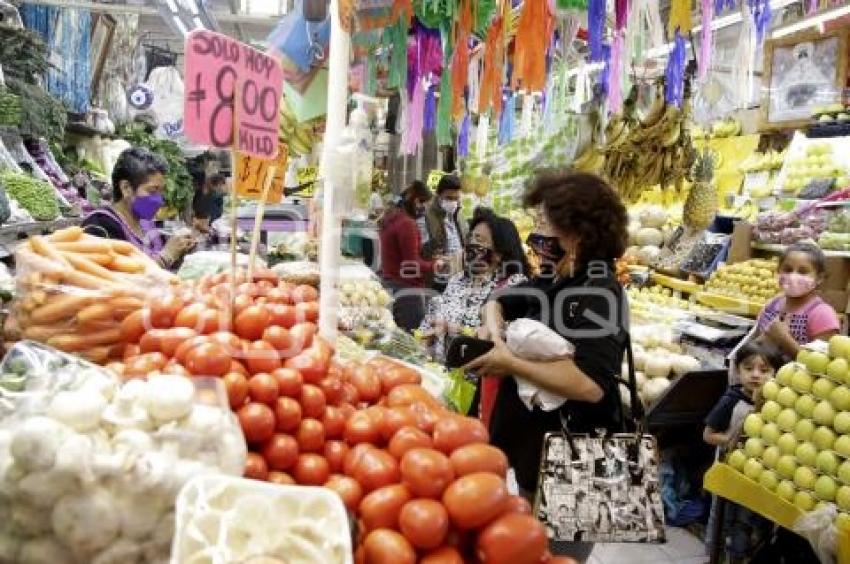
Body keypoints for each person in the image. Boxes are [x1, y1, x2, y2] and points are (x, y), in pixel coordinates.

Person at [467, 172, 629, 560]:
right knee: (529, 547)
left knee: (559, 554)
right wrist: (494, 331)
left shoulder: (600, 293)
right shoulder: (552, 278)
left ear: (577, 232)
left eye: (543, 223)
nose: (536, 233)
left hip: (576, 459)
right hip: (535, 452)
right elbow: (500, 300)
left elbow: (590, 385)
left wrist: (510, 361)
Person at [704, 342, 781, 563]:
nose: (756, 375)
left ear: (775, 373)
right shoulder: (731, 400)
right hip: (729, 474)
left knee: (750, 522)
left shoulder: (774, 403)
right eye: (749, 368)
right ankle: (718, 556)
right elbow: (708, 435)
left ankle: (742, 556)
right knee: (725, 520)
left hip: (757, 476)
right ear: (738, 371)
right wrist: (730, 439)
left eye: (764, 370)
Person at [420, 207, 529, 361]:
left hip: (478, 377)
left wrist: (452, 329)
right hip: (441, 372)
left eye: (479, 240)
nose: (470, 245)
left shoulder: (513, 284)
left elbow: (503, 337)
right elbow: (432, 320)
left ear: (498, 253)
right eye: (471, 238)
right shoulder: (458, 280)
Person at [83, 147, 195, 269]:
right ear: (126, 188)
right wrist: (166, 256)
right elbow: (110, 279)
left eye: (161, 191)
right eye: (152, 191)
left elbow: (162, 268)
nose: (159, 200)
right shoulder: (100, 225)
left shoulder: (146, 224)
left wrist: (179, 253)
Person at [754, 242, 840, 360]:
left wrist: (784, 339)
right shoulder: (772, 305)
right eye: (788, 270)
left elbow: (821, 365)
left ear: (819, 278)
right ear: (778, 272)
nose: (793, 276)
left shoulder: (822, 315)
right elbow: (755, 345)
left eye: (803, 271)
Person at [379, 181, 440, 331]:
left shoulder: (391, 218)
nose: (425, 210)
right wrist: (435, 264)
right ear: (417, 200)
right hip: (407, 291)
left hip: (391, 284)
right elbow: (412, 264)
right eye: (425, 204)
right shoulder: (407, 224)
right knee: (412, 340)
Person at [424, 174, 466, 281]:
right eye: (449, 198)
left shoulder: (459, 213)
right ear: (438, 195)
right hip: (438, 277)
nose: (453, 202)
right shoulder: (427, 215)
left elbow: (464, 240)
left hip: (459, 274)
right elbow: (421, 249)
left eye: (456, 198)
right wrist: (435, 256)